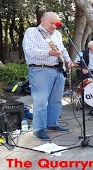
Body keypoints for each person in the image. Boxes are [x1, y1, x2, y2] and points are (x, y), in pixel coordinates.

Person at [23, 12, 71, 140]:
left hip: (58, 70)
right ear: (42, 20)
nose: (55, 26)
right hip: (40, 70)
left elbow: (62, 50)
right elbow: (30, 51)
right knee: (41, 101)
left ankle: (52, 124)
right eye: (52, 23)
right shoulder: (32, 32)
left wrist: (68, 60)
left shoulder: (57, 34)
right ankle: (39, 129)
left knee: (56, 101)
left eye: (56, 23)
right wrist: (49, 53)